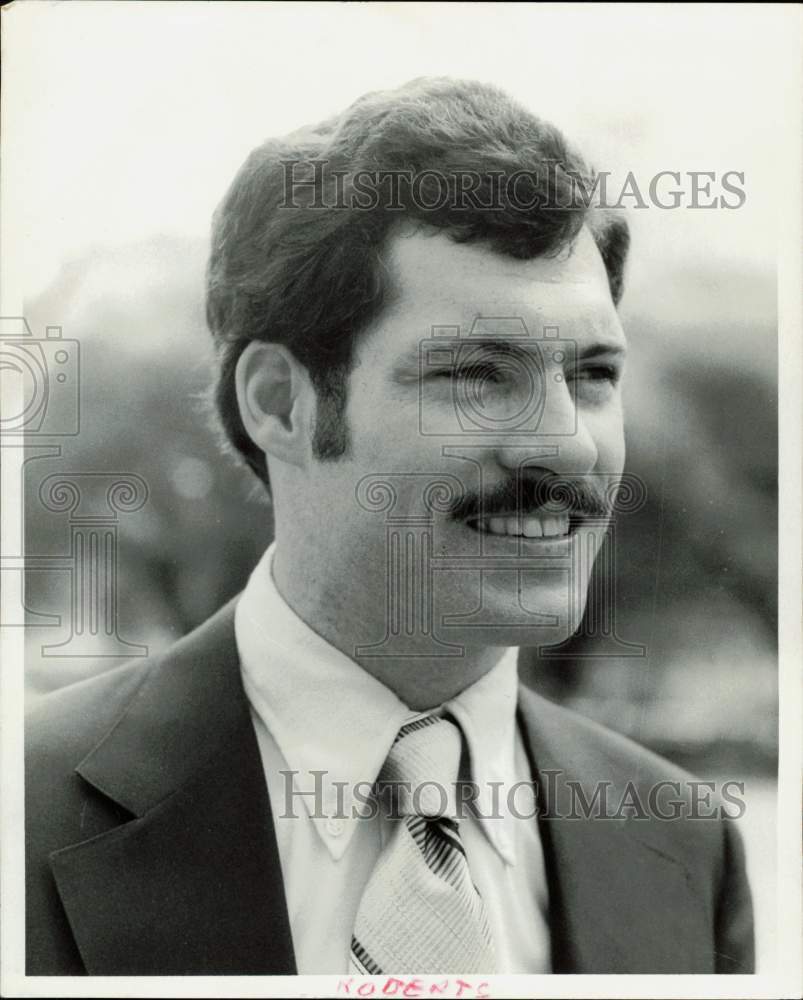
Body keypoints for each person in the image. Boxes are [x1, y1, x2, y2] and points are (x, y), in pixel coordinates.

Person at [25, 77, 754, 976]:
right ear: (280, 403)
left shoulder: (685, 851)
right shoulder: (24, 812)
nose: (566, 448)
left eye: (593, 375)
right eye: (479, 372)